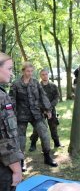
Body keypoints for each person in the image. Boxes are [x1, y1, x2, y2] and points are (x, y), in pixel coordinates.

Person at [9, 62, 58, 171]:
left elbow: (43, 96)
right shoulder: (16, 84)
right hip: (21, 115)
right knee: (20, 139)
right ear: (23, 71)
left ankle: (47, 157)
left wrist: (48, 109)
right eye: (27, 71)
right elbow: (12, 100)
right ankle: (21, 161)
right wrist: (11, 115)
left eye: (31, 71)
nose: (30, 73)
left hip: (36, 114)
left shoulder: (35, 83)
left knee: (44, 134)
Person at [0, 52, 23, 191]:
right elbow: (5, 137)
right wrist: (16, 169)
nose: (11, 73)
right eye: (9, 69)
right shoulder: (1, 98)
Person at [28, 69, 61, 152]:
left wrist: (49, 108)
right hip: (40, 111)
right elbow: (36, 100)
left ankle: (57, 143)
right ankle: (33, 144)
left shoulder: (53, 86)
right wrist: (44, 110)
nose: (44, 76)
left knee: (53, 127)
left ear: (48, 75)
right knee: (37, 129)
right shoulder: (37, 86)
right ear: (40, 76)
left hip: (51, 110)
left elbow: (56, 98)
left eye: (46, 74)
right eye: (42, 74)